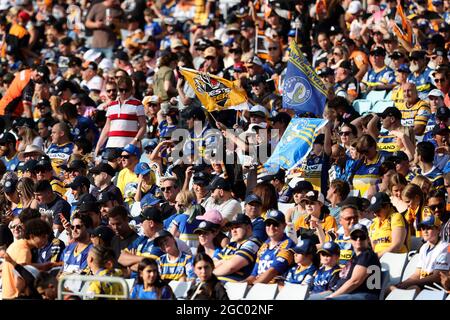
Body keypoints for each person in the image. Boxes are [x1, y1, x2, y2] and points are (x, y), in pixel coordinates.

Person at [389, 215, 448, 295]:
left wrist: (410, 283)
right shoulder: (424, 247)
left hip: (437, 287)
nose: (425, 231)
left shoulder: (445, 247)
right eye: (423, 228)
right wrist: (402, 284)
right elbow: (417, 274)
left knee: (413, 289)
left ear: (438, 229)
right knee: (390, 289)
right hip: (423, 284)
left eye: (429, 228)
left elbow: (437, 277)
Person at [325, 224, 381, 300]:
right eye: (355, 237)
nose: (358, 240)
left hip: (365, 295)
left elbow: (355, 281)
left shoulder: (367, 255)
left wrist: (331, 296)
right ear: (350, 239)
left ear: (368, 239)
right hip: (349, 293)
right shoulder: (355, 257)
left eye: (362, 237)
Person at [95, 76, 146, 155]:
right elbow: (107, 128)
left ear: (131, 89)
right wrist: (98, 146)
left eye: (127, 90)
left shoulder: (138, 104)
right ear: (118, 89)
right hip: (112, 145)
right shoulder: (111, 105)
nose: (124, 92)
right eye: (121, 90)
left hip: (130, 147)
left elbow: (143, 126)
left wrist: (134, 142)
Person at [2, 218, 50, 299]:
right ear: (32, 236)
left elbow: (24, 266)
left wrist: (44, 266)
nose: (45, 240)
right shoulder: (24, 251)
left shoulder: (18, 244)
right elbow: (20, 279)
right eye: (43, 237)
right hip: (16, 296)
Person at [245, 210, 295, 284]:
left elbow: (273, 271)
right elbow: (254, 275)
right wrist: (241, 285)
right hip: (260, 286)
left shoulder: (288, 245)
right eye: (268, 224)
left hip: (275, 289)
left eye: (275, 224)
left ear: (284, 226)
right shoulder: (264, 245)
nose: (271, 227)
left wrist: (254, 286)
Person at [213, 214, 261, 282]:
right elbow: (211, 264)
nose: (233, 231)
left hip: (237, 286)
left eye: (237, 227)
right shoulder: (231, 245)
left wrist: (210, 274)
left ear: (248, 228)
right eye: (232, 228)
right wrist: (223, 261)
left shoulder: (253, 243)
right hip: (218, 283)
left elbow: (231, 267)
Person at [368, 192, 409, 258]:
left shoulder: (396, 217)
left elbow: (397, 245)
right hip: (379, 260)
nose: (375, 214)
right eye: (374, 211)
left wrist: (377, 257)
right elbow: (373, 248)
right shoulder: (374, 223)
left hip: (396, 258)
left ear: (387, 206)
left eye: (378, 210)